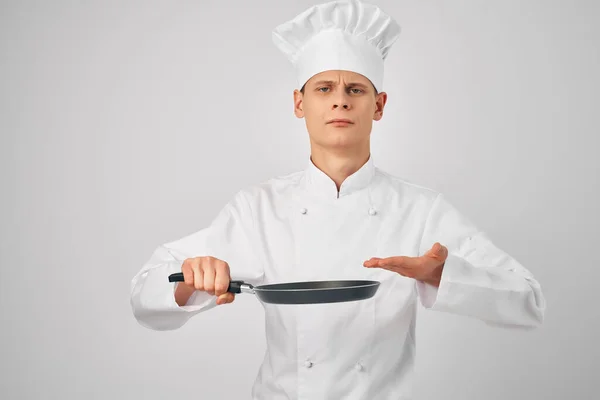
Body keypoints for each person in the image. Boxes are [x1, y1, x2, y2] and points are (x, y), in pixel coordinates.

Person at [130, 0, 546, 398]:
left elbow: (528, 300)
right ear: (299, 103)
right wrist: (191, 279)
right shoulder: (259, 208)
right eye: (324, 87)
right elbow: (145, 296)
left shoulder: (420, 210)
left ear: (379, 105)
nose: (340, 99)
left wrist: (439, 275)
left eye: (357, 89)